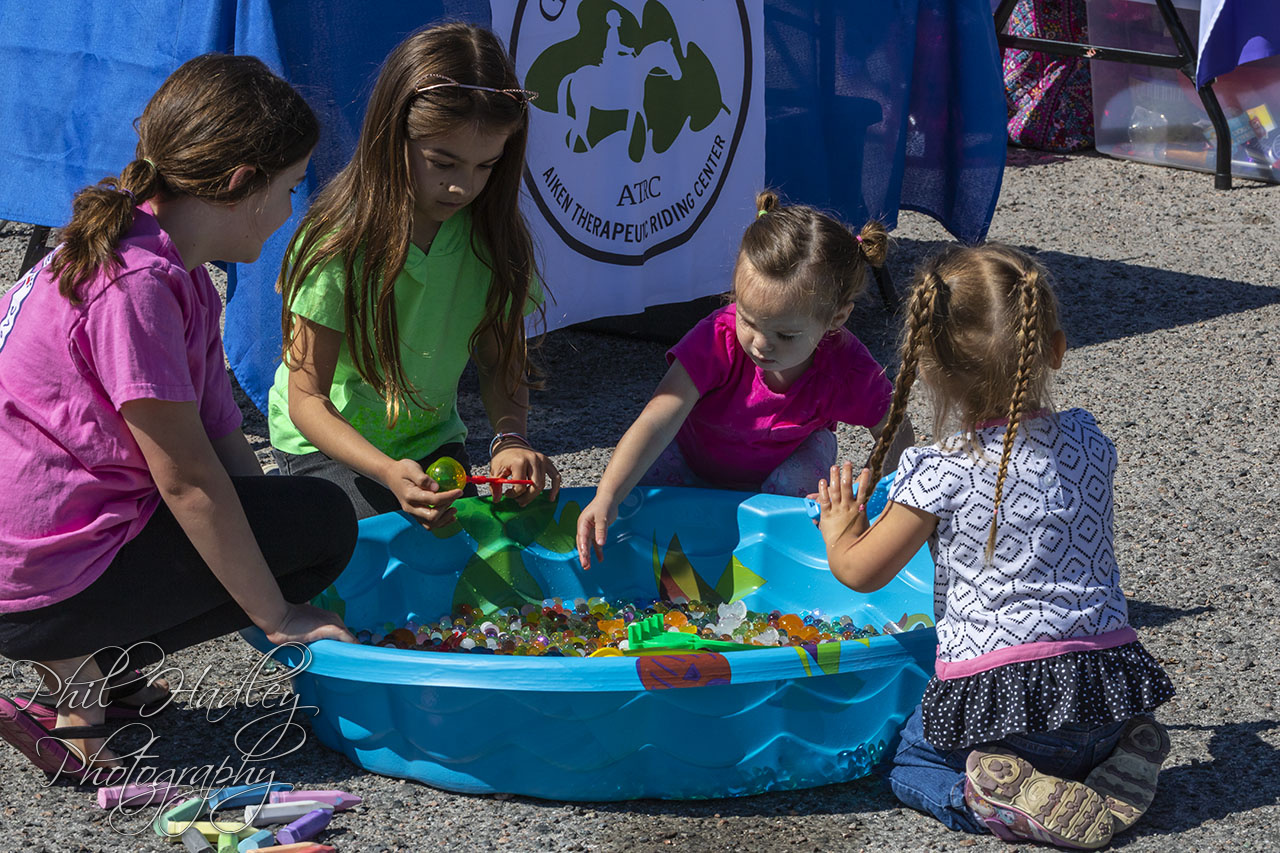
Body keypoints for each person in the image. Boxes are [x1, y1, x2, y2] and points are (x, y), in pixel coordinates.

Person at [0, 54, 358, 781]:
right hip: (32, 582)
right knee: (326, 524)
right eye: (289, 188)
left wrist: (272, 546)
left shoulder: (162, 262)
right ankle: (77, 684)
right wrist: (278, 614)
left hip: (38, 552)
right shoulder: (135, 286)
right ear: (239, 184)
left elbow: (223, 437)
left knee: (296, 522)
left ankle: (101, 663)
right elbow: (188, 480)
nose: (290, 210)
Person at [815, 244, 1175, 849]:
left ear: (927, 368)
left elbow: (860, 572)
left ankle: (991, 799)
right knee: (1080, 733)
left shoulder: (941, 470)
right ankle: (1117, 754)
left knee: (911, 763)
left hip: (1012, 714)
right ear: (1054, 349)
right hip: (1108, 692)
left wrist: (839, 527)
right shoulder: (1088, 439)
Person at [270, 23, 559, 531]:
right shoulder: (338, 242)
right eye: (442, 162)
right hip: (328, 446)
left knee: (470, 544)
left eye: (486, 166)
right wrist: (386, 471)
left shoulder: (494, 241)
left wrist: (511, 438)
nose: (462, 186)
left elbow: (499, 361)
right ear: (392, 135)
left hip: (430, 443)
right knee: (373, 546)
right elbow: (306, 399)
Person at [576, 190, 915, 569]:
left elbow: (897, 431)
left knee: (809, 496)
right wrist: (607, 495)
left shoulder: (846, 367)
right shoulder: (717, 338)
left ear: (836, 318)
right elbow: (657, 419)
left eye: (785, 335)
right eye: (748, 319)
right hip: (695, 455)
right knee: (642, 500)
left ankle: (784, 561)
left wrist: (874, 500)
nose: (760, 343)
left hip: (787, 463)